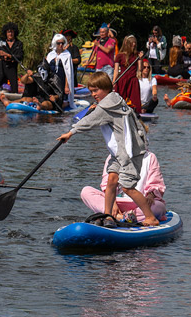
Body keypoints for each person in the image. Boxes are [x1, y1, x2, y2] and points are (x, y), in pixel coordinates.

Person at [57, 71, 157, 226]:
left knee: (127, 187)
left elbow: (89, 121)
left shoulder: (105, 108)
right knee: (111, 180)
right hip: (119, 153)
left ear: (105, 88)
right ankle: (108, 216)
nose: (93, 94)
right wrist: (98, 107)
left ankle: (150, 217)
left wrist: (70, 133)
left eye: (96, 90)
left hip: (129, 153)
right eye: (90, 91)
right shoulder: (117, 99)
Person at [80, 149, 167, 223]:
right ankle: (121, 217)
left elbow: (155, 183)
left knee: (159, 207)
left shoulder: (150, 157)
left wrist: (150, 196)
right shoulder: (113, 156)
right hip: (117, 201)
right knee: (86, 191)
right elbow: (107, 183)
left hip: (140, 204)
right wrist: (112, 203)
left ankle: (118, 217)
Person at [42, 33, 75, 109]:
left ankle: (65, 103)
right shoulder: (51, 54)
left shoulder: (67, 55)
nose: (60, 45)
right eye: (58, 43)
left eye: (62, 43)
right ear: (55, 43)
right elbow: (46, 68)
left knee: (62, 98)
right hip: (52, 80)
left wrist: (67, 86)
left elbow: (68, 72)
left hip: (62, 79)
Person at [0, 23, 23, 92]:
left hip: (12, 67)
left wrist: (8, 55)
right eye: (8, 32)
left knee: (14, 88)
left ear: (14, 32)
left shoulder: (18, 43)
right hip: (1, 66)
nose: (10, 34)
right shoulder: (0, 41)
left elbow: (20, 57)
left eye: (12, 32)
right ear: (6, 33)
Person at [114, 35, 142, 111]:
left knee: (134, 101)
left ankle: (136, 113)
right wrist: (114, 82)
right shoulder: (120, 55)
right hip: (122, 80)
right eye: (132, 44)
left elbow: (140, 69)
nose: (134, 46)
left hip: (133, 81)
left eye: (134, 44)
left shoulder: (137, 55)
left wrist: (140, 59)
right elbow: (116, 70)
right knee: (121, 99)